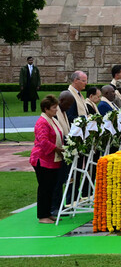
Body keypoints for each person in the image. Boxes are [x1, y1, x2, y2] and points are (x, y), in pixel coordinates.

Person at [30, 95, 64, 224]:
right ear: (46, 109)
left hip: (52, 160)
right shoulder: (42, 122)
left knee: (51, 187)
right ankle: (42, 215)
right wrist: (57, 149)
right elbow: (43, 141)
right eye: (54, 108)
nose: (56, 110)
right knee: (44, 188)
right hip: (42, 159)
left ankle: (48, 213)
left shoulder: (52, 119)